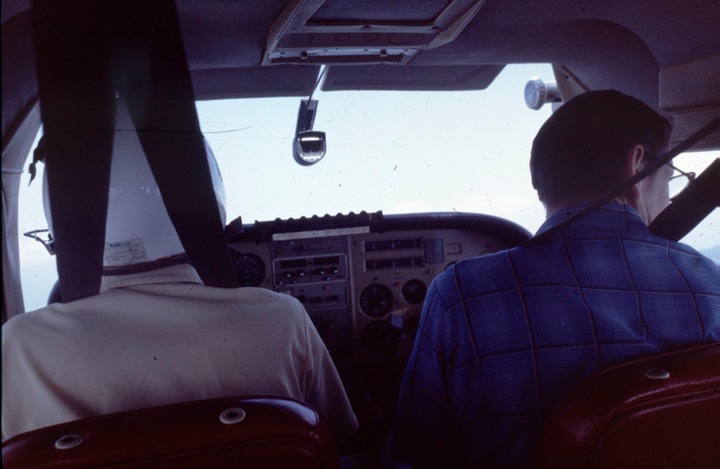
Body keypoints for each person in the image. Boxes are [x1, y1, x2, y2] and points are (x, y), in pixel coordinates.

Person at [389, 90, 720, 468]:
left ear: (543, 181)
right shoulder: (711, 284)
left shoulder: (459, 294)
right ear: (636, 164)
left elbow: (414, 453)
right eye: (670, 176)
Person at [1, 101, 358, 443]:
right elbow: (336, 435)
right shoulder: (284, 319)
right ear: (206, 199)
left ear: (61, 218)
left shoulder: (18, 349)